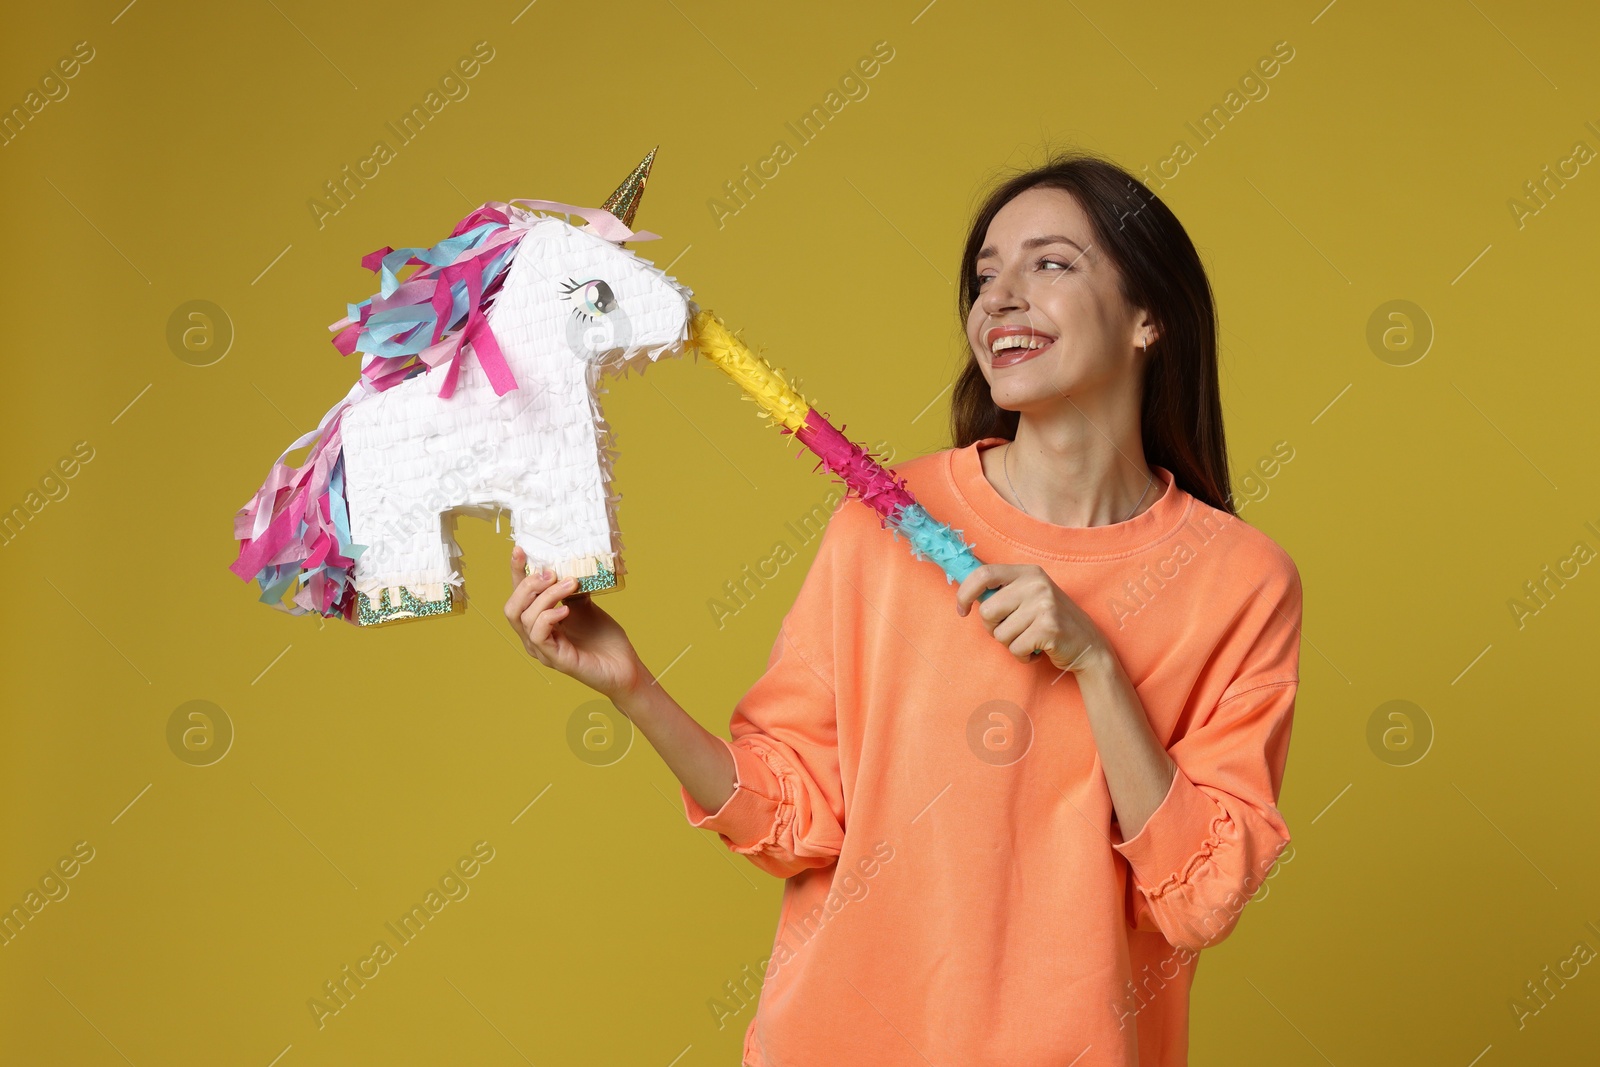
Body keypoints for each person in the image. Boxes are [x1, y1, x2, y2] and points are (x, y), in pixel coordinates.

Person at [503, 149, 1304, 1067]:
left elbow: (1200, 899)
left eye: (1049, 262)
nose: (999, 297)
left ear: (1150, 316)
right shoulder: (883, 524)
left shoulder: (1240, 581)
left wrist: (1095, 663)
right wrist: (635, 687)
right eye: (983, 275)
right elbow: (794, 815)